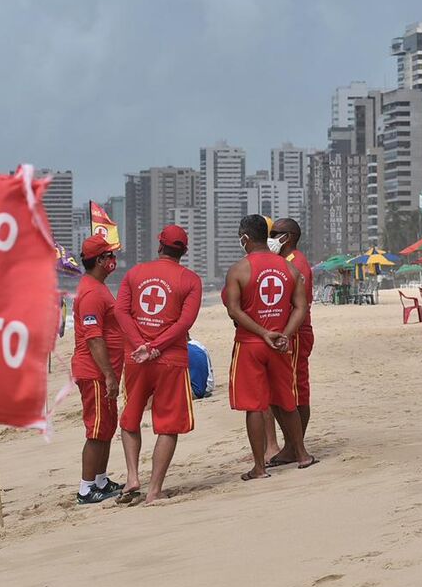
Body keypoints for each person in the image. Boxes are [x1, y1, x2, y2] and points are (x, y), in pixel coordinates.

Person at [222, 214, 317, 481]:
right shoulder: (289, 268)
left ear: (245, 238)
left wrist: (263, 332)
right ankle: (302, 455)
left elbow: (233, 308)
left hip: (251, 343)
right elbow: (301, 306)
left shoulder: (239, 269)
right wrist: (284, 334)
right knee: (286, 399)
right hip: (280, 344)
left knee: (254, 405)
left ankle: (259, 467)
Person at [114, 225, 202, 504]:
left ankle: (131, 476)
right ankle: (154, 490)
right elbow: (184, 323)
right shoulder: (190, 280)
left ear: (159, 246)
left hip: (136, 358)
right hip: (170, 360)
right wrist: (155, 347)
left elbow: (121, 312)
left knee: (130, 416)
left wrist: (141, 344)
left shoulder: (135, 273)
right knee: (167, 425)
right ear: (184, 252)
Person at [71, 233, 126, 504]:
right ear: (101, 260)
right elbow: (94, 338)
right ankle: (85, 488)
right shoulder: (92, 292)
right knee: (96, 430)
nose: (114, 260)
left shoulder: (98, 286)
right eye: (109, 256)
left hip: (104, 372)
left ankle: (101, 481)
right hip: (94, 373)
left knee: (106, 427)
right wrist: (108, 375)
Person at [267, 217, 314, 466]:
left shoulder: (298, 264)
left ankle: (296, 446)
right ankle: (291, 444)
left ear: (289, 237)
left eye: (275, 233)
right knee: (280, 391)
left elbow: (299, 305)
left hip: (294, 334)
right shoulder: (282, 262)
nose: (271, 237)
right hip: (282, 333)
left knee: (296, 391)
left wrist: (285, 333)